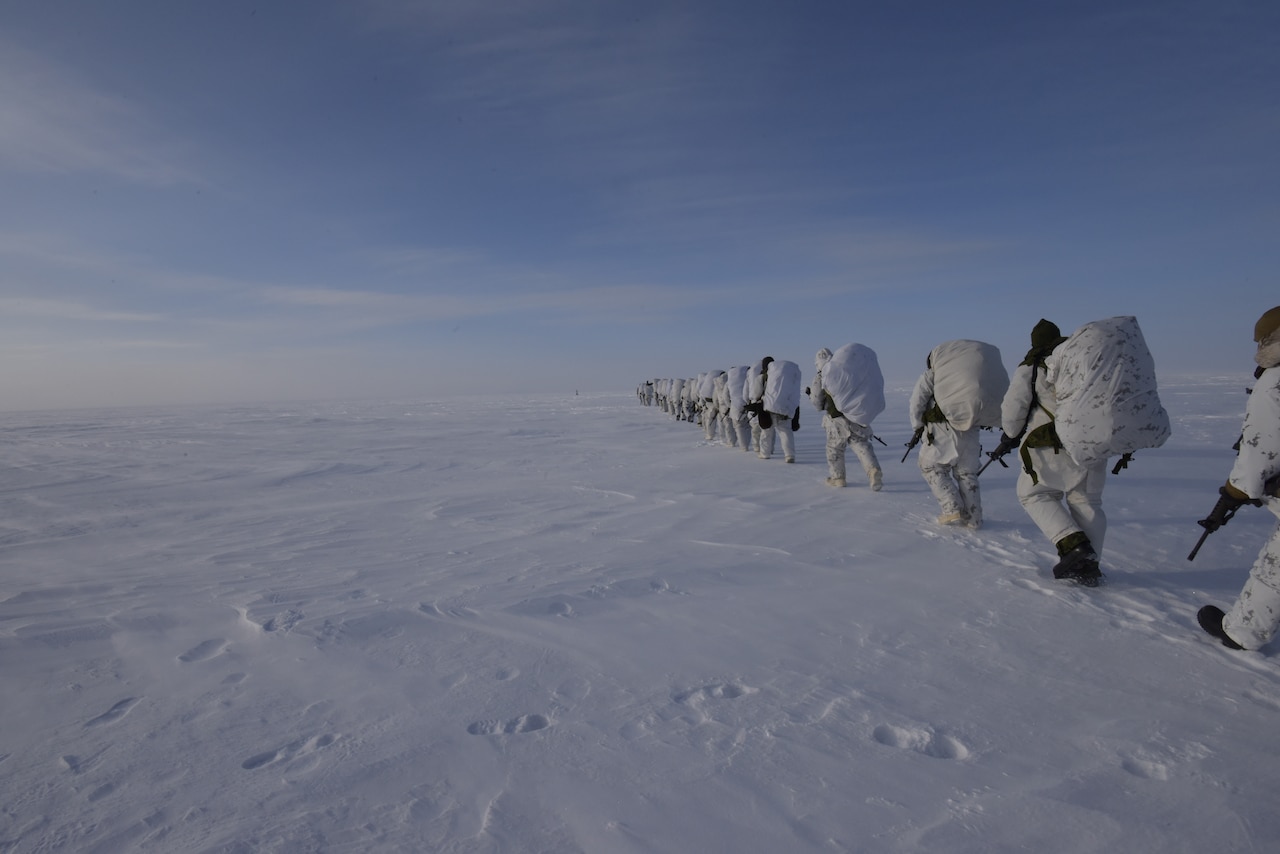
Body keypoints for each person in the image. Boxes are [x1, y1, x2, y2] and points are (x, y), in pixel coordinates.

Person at [998, 319, 1105, 585]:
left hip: (1054, 446)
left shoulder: (1033, 367)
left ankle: (1073, 546)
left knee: (1032, 494)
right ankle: (1089, 567)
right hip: (1095, 442)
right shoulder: (1086, 362)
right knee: (1087, 502)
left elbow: (1014, 411)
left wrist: (1009, 436)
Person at [1197, 306, 1280, 650]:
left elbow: (1260, 448)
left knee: (1274, 570)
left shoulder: (1275, 382)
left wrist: (1235, 491)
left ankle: (1243, 632)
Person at [908, 340, 1007, 528]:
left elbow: (917, 401)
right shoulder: (969, 380)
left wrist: (917, 425)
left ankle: (951, 508)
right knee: (967, 473)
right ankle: (974, 518)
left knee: (931, 467)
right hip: (970, 430)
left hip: (941, 430)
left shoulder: (933, 374)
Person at [808, 345, 884, 490]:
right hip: (855, 415)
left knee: (834, 449)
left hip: (836, 421)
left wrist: (819, 403)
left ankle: (838, 478)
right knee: (861, 445)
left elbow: (817, 401)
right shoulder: (846, 371)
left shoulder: (821, 375)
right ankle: (873, 470)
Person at [758, 358, 801, 463]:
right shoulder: (787, 376)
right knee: (785, 432)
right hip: (786, 407)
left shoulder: (763, 377)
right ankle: (789, 455)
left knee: (766, 432)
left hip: (769, 407)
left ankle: (765, 453)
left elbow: (756, 392)